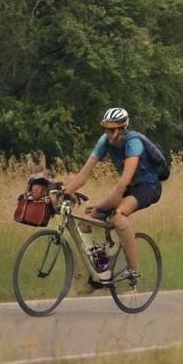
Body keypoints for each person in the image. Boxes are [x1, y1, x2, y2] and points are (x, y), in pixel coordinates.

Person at [66, 107, 163, 283]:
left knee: (118, 216)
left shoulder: (133, 143)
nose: (109, 134)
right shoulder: (105, 141)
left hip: (148, 187)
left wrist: (101, 206)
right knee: (87, 218)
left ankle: (133, 270)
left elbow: (120, 188)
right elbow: (84, 174)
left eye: (112, 130)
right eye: (106, 130)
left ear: (122, 128)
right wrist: (66, 191)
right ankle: (102, 260)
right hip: (129, 187)